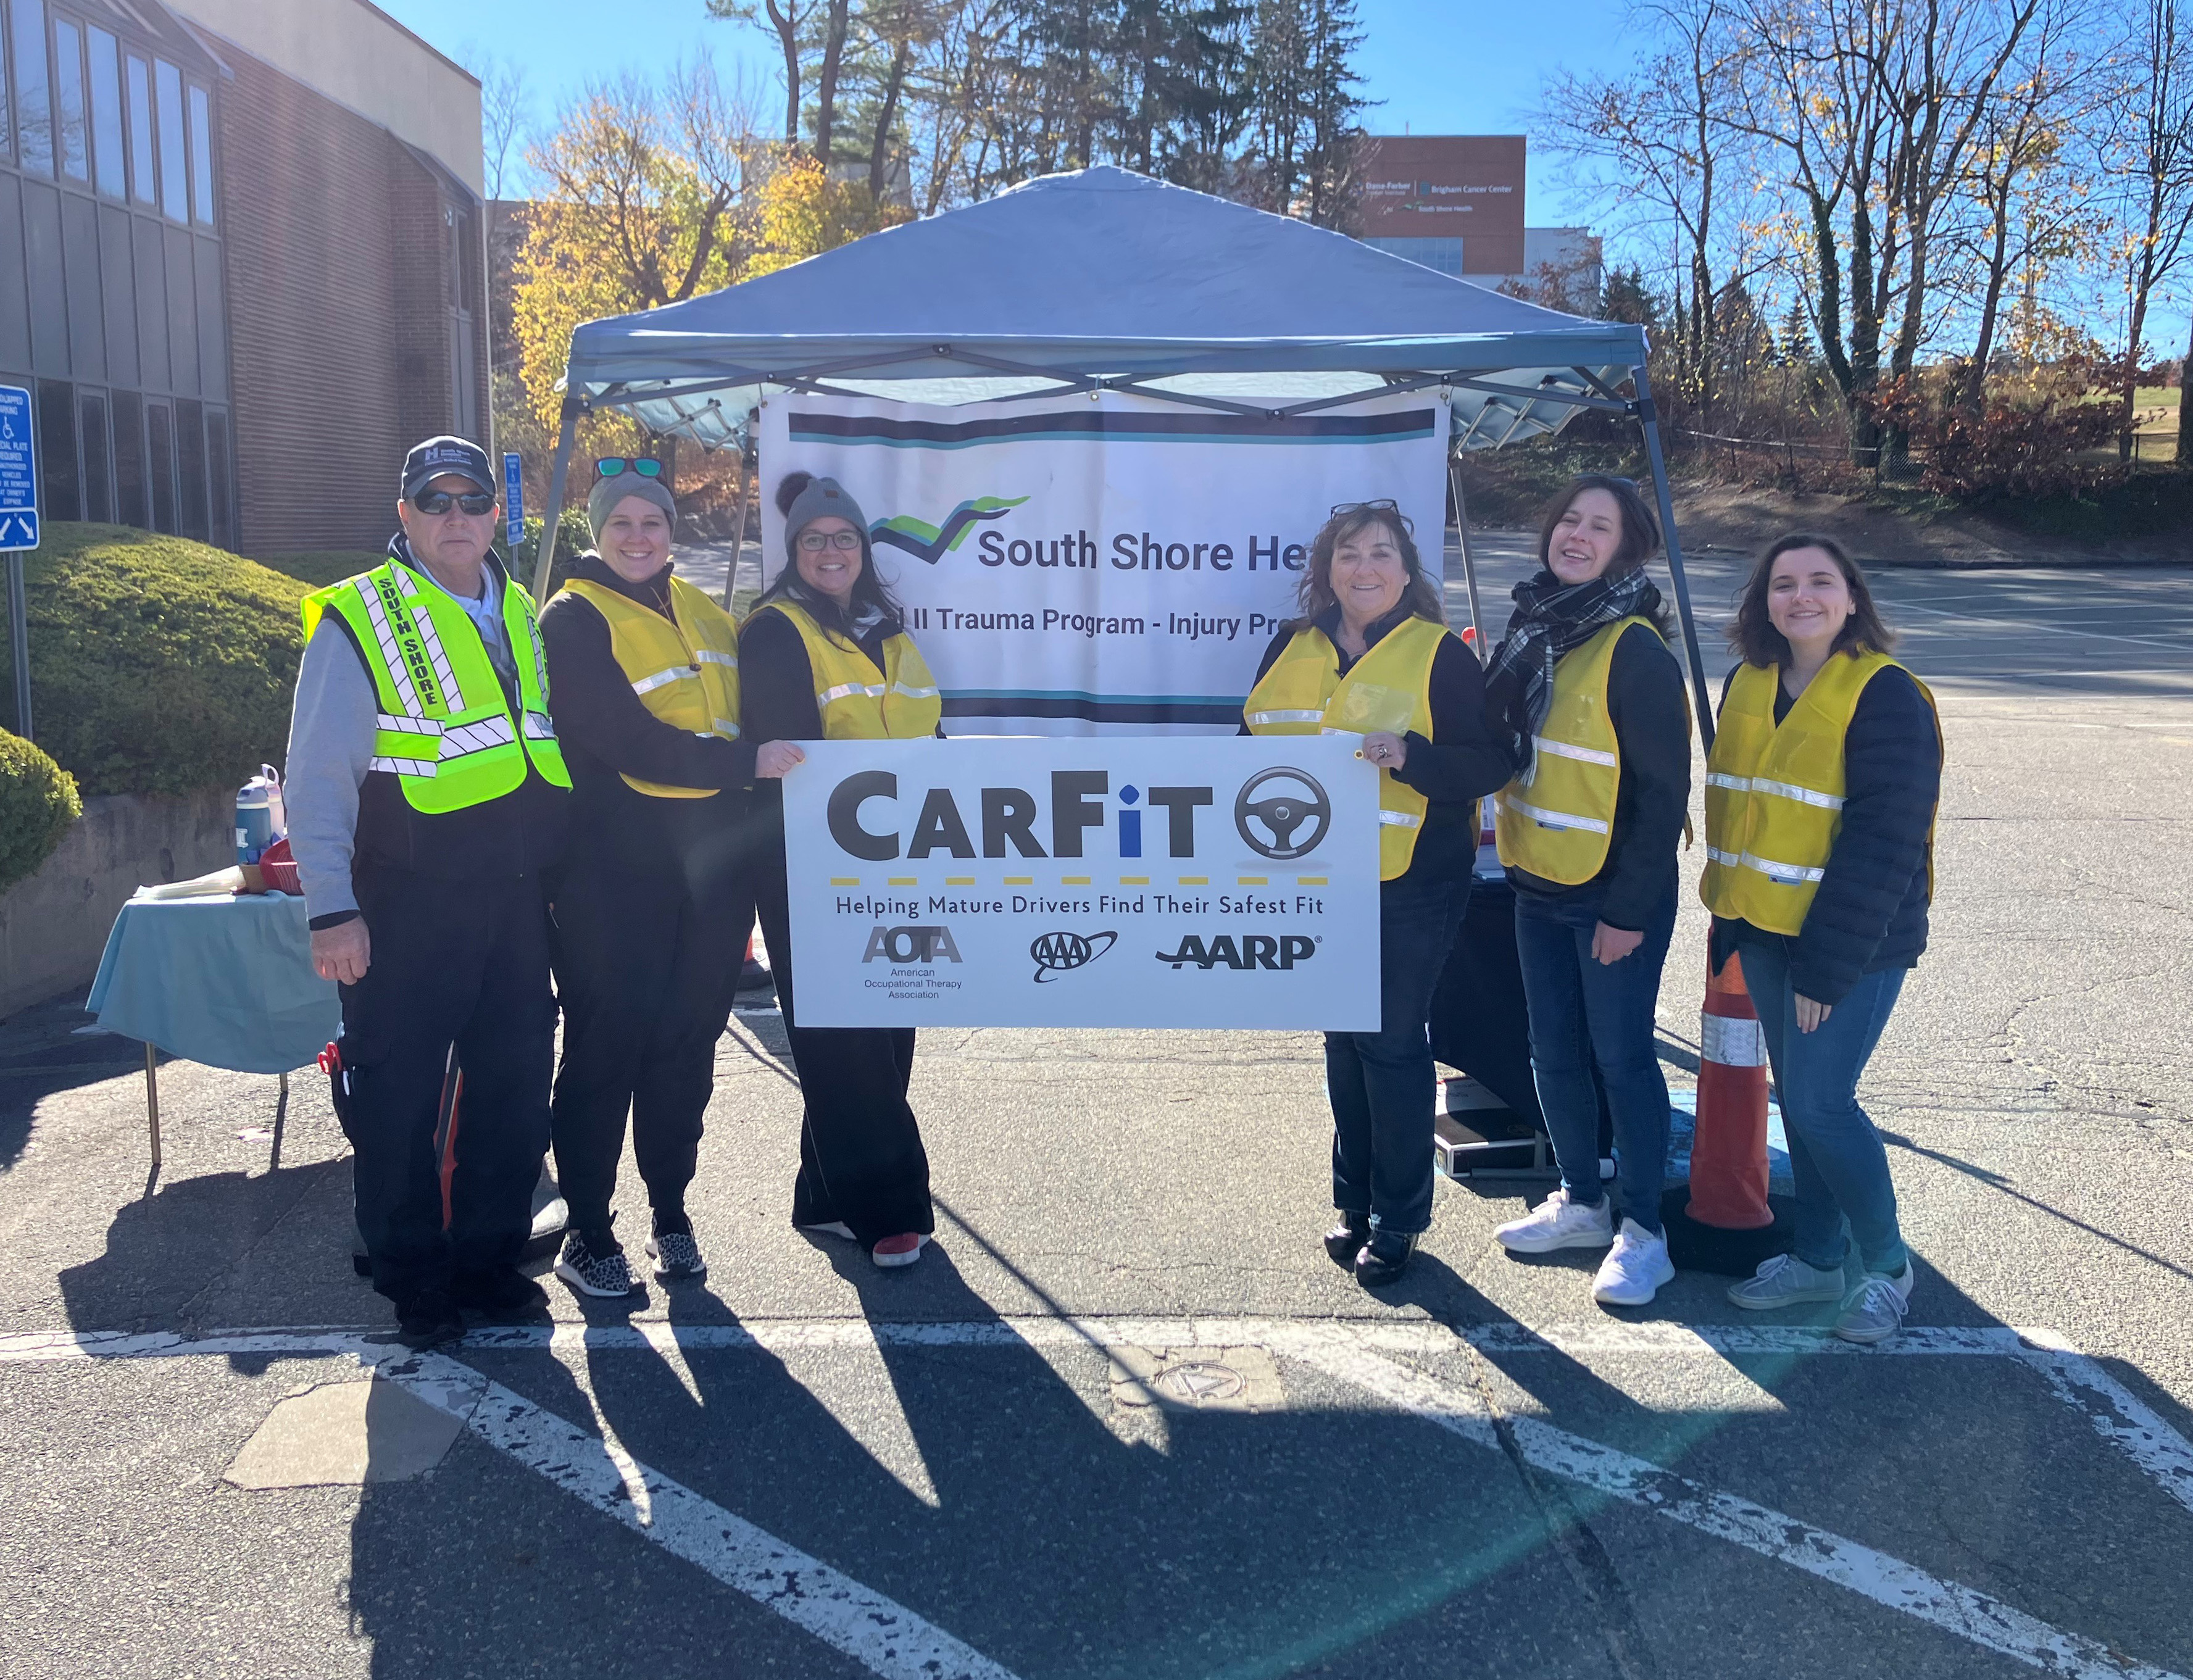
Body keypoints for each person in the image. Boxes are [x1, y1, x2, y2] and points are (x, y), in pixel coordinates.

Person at [286, 436, 572, 1348]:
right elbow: (317, 775)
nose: (457, 517)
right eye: (435, 501)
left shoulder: (518, 607)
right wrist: (331, 906)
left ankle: (489, 1262)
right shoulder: (359, 616)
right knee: (399, 1099)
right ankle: (416, 1281)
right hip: (405, 903)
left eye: (472, 500)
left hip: (515, 899)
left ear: (497, 514)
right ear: (404, 515)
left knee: (517, 1089)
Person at [536, 460, 803, 1298]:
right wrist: (743, 763)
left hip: (708, 872)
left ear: (672, 531)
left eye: (653, 522)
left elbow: (755, 710)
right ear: (596, 531)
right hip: (611, 872)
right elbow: (619, 735)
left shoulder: (706, 613)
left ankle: (671, 1209)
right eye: (622, 524)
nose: (639, 537)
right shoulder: (573, 617)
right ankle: (586, 1225)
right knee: (605, 1044)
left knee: (687, 1045)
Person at [1244, 500, 1513, 1287]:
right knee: (1341, 1040)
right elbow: (1246, 755)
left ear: (1406, 568)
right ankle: (1354, 1202)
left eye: (1382, 553)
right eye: (1349, 554)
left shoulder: (1440, 654)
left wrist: (1413, 757)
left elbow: (1492, 761)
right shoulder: (1290, 646)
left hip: (1413, 881)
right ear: (1325, 570)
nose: (1365, 567)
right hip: (1313, 878)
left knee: (1391, 1040)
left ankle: (1399, 1219)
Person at [1705, 533, 1941, 1344]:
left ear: (1851, 598)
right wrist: (1730, 925)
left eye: (1818, 582)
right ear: (1762, 600)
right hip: (1765, 933)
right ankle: (1814, 1258)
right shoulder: (1748, 681)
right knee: (1798, 1105)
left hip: (1850, 945)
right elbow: (1743, 812)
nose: (1799, 597)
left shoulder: (1885, 694)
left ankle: (1885, 1267)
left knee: (1819, 1101)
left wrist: (1826, 967)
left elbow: (1884, 844)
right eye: (1782, 583)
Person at [1485, 476, 1692, 1307]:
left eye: (1597, 526)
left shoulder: (1634, 648)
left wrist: (1627, 910)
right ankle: (1581, 1198)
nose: (1575, 534)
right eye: (1568, 517)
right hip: (1537, 878)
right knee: (1553, 1052)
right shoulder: (1538, 625)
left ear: (1625, 547)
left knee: (1621, 1057)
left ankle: (1644, 1230)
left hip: (1611, 896)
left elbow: (1662, 795)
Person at [738, 472, 941, 1269]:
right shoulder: (774, 630)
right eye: (816, 539)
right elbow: (795, 755)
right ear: (795, 552)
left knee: (890, 1026)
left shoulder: (890, 634)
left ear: (863, 550)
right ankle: (886, 1205)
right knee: (844, 1033)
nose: (831, 550)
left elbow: (931, 737)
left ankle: (823, 1190)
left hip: (906, 860)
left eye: (844, 538)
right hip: (811, 863)